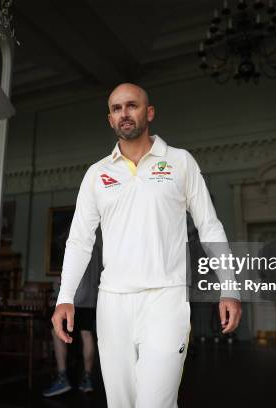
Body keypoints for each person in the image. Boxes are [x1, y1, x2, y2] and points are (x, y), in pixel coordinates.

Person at [51, 83, 242, 407]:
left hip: (166, 300)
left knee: (157, 402)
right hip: (113, 304)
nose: (124, 113)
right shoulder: (96, 174)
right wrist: (65, 297)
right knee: (120, 403)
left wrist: (230, 287)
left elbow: (209, 225)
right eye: (116, 108)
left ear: (149, 112)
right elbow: (80, 239)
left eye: (132, 105)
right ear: (110, 119)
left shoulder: (181, 162)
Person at [43, 231, 103, 397]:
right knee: (86, 334)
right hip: (91, 297)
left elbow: (67, 276)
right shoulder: (97, 248)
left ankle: (63, 378)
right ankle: (87, 379)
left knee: (56, 332)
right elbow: (99, 274)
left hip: (74, 298)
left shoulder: (75, 243)